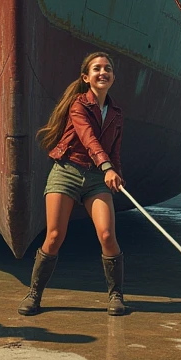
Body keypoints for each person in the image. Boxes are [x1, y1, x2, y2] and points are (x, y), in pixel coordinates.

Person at [18, 52, 126, 317]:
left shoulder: (116, 114)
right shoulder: (78, 105)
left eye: (108, 69)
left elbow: (115, 152)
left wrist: (116, 173)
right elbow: (88, 138)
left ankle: (115, 295)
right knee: (54, 236)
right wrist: (107, 167)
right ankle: (34, 294)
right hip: (66, 171)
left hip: (96, 178)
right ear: (85, 77)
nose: (103, 72)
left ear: (113, 77)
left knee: (107, 235)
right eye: (97, 69)